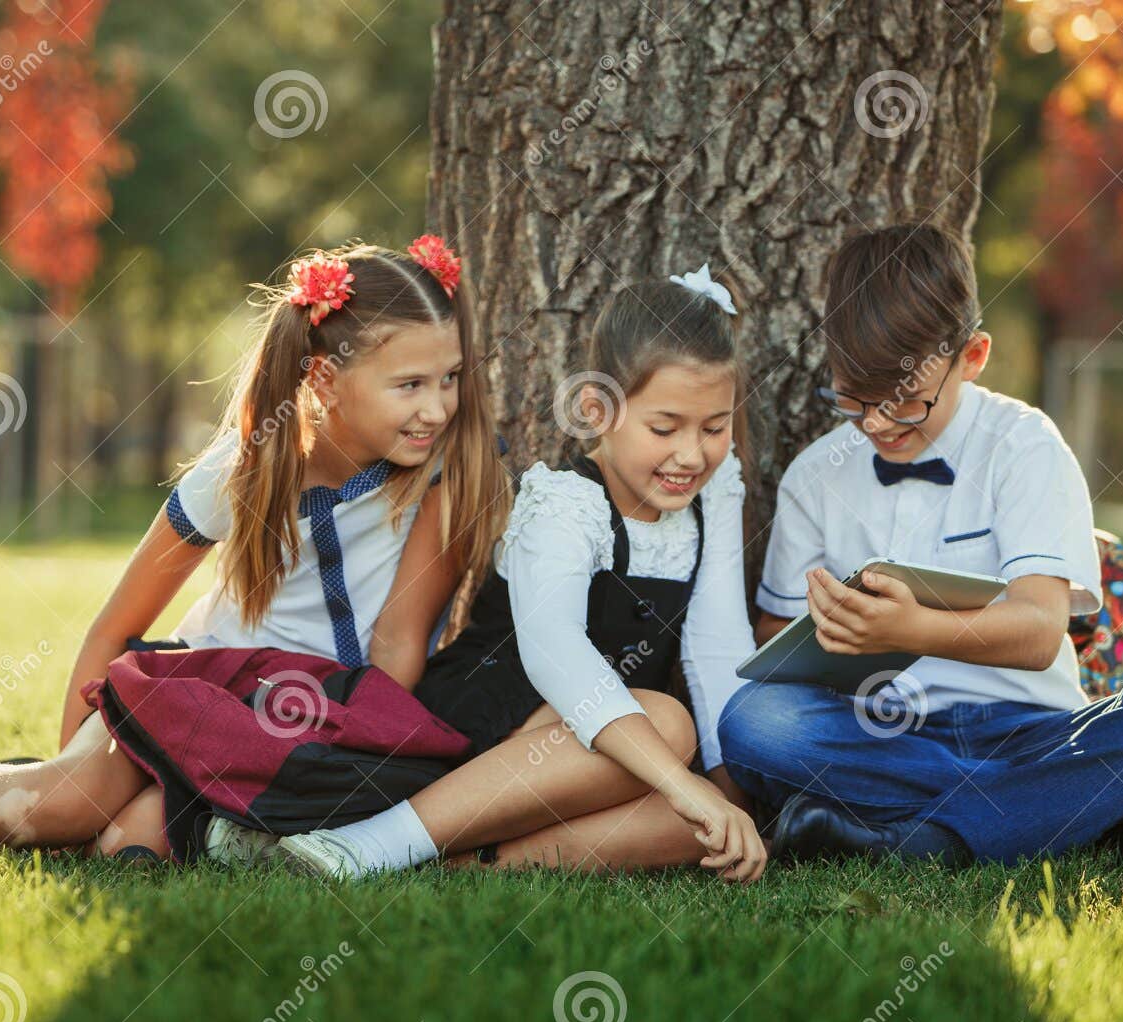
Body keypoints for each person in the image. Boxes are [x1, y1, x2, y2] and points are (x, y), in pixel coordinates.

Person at [0, 238, 512, 862]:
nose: (437, 407)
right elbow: (118, 627)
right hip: (201, 687)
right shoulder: (244, 471)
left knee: (124, 849)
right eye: (410, 385)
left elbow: (396, 654)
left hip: (320, 720)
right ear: (324, 381)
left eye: (449, 380)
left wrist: (333, 753)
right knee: (70, 803)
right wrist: (73, 754)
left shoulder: (434, 477)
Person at [717, 222, 1123, 866]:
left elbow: (1038, 633)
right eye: (854, 400)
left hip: (1032, 732)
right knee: (754, 722)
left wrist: (910, 629)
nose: (878, 424)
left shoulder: (1025, 446)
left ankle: (918, 841)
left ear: (972, 356)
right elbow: (776, 629)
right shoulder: (816, 475)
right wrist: (835, 628)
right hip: (882, 740)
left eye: (905, 401)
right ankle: (1077, 816)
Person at [267, 262, 766, 882]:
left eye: (715, 428)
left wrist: (725, 796)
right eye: (665, 428)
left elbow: (716, 651)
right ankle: (373, 843)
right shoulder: (563, 504)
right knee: (666, 726)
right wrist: (679, 780)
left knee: (692, 821)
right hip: (486, 724)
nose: (692, 455)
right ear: (597, 409)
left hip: (593, 752)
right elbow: (556, 653)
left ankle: (465, 862)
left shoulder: (715, 494)